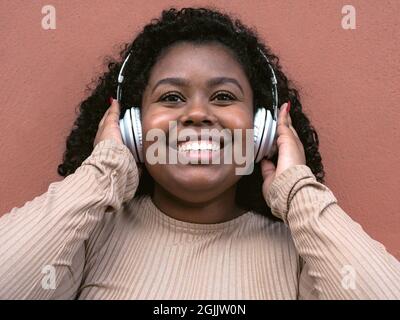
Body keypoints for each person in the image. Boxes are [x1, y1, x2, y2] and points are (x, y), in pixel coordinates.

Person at [0, 7, 399, 300]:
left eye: (224, 97)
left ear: (262, 129)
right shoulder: (87, 236)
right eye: (171, 97)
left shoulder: (302, 254)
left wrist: (297, 191)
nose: (197, 114)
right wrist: (104, 169)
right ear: (131, 127)